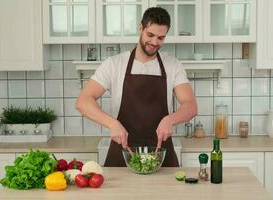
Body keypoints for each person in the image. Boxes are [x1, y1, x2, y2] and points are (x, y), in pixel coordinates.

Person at [76, 7, 197, 167]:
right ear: (141, 28)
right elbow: (83, 102)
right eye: (150, 35)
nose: (155, 42)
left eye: (161, 38)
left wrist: (170, 120)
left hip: (160, 155)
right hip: (122, 154)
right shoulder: (114, 64)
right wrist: (112, 124)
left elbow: (191, 106)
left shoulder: (173, 65)